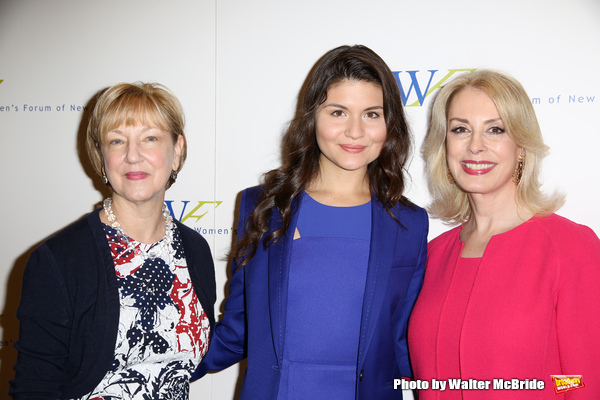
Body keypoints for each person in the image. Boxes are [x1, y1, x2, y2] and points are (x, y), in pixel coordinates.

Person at [193, 44, 428, 399]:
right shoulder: (262, 206)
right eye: (338, 112)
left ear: (389, 123)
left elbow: (406, 346)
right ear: (312, 117)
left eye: (371, 114)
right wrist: (145, 371)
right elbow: (238, 330)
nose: (354, 131)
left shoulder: (409, 223)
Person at [9, 82, 216, 399]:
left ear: (176, 150)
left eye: (150, 138)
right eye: (117, 141)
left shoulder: (195, 251)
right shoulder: (59, 260)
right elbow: (36, 387)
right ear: (101, 156)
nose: (133, 156)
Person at [409, 69, 600, 399]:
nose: (475, 146)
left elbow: (585, 382)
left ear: (521, 147)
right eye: (460, 129)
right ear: (445, 146)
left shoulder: (571, 248)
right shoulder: (433, 254)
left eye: (495, 130)